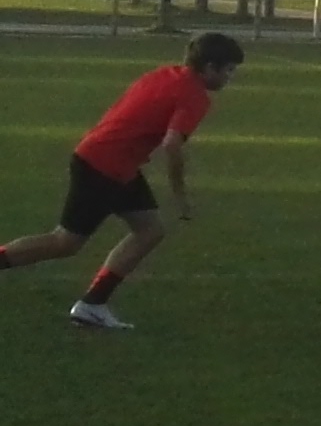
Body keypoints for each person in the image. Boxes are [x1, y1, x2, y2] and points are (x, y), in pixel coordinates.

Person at [3, 31, 244, 330]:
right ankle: (91, 305)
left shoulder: (164, 74)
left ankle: (93, 304)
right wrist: (180, 194)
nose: (230, 78)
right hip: (106, 166)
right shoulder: (195, 96)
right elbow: (172, 144)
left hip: (110, 160)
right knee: (64, 242)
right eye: (228, 70)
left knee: (149, 230)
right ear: (209, 68)